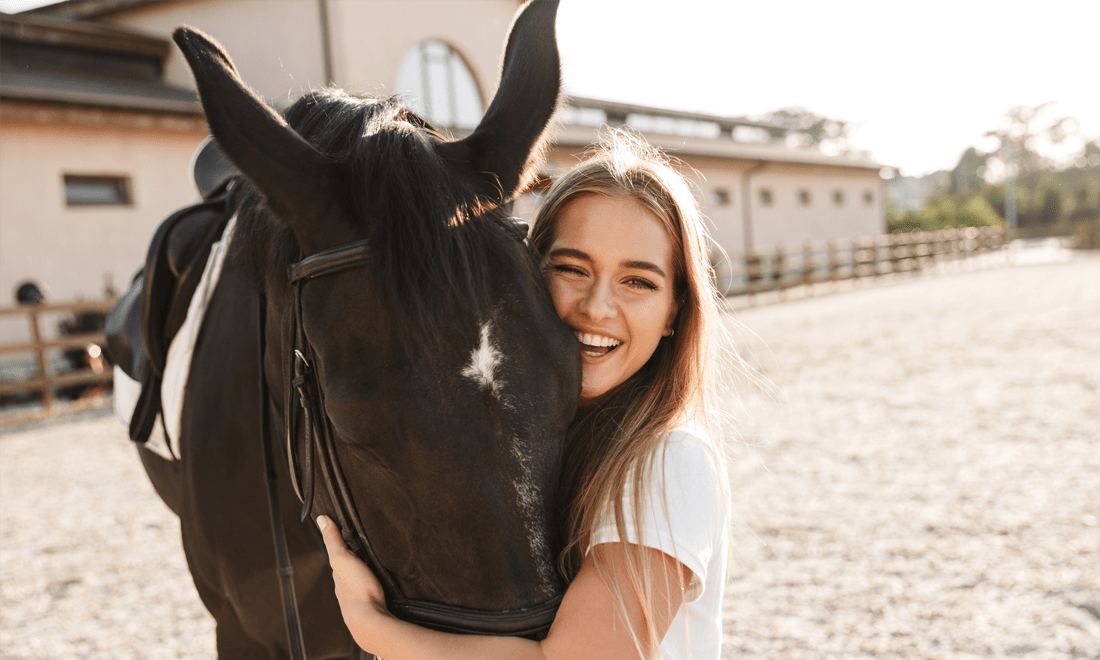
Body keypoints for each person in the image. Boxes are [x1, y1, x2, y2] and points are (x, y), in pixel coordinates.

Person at [319, 128, 730, 660]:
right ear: (528, 276)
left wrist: (370, 625)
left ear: (675, 310)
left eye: (638, 282)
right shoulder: (511, 446)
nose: (597, 307)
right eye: (571, 269)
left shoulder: (669, 462)